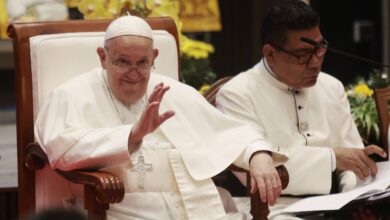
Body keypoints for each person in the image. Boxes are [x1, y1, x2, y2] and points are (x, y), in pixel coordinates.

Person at [34, 15, 288, 220]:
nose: (134, 73)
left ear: (153, 58)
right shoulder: (71, 95)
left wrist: (258, 155)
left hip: (201, 210)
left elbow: (228, 132)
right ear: (103, 57)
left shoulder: (172, 91)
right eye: (122, 62)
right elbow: (61, 150)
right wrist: (132, 135)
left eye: (142, 63)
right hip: (124, 212)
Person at [215, 0, 387, 218]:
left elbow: (352, 159)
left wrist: (355, 200)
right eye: (303, 54)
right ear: (270, 53)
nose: (315, 63)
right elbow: (258, 174)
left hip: (336, 206)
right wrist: (333, 158)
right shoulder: (237, 94)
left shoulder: (331, 86)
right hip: (274, 210)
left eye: (320, 48)